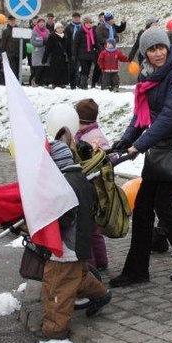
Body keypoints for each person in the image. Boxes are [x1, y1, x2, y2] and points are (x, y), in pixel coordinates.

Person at [109, 27, 172, 287]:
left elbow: (168, 118)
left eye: (161, 47)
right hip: (162, 147)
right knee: (143, 207)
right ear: (144, 53)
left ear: (167, 47)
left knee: (165, 206)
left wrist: (137, 147)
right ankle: (136, 270)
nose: (158, 53)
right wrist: (124, 141)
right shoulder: (147, 75)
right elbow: (141, 115)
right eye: (152, 50)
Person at [36, 136, 112, 341]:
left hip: (66, 247)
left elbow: (63, 219)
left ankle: (55, 329)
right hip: (80, 242)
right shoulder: (81, 179)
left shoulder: (63, 186)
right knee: (77, 277)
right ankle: (101, 294)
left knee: (56, 286)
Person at [73, 98, 111, 271]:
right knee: (93, 228)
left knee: (85, 228)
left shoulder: (90, 138)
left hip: (90, 187)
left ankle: (91, 265)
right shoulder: (92, 133)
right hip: (95, 187)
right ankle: (101, 260)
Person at [94, 12, 127, 88]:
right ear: (108, 20)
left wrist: (114, 41)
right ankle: (105, 85)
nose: (113, 20)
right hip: (104, 50)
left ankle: (114, 85)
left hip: (113, 51)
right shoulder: (100, 28)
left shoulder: (112, 26)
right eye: (112, 19)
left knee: (113, 69)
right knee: (105, 70)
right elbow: (99, 39)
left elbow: (117, 34)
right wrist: (109, 42)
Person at [42, 22, 72, 89]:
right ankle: (55, 83)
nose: (60, 29)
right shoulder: (52, 36)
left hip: (63, 57)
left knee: (63, 70)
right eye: (58, 27)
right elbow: (48, 49)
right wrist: (44, 59)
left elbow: (68, 48)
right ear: (55, 29)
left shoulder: (65, 36)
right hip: (55, 57)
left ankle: (62, 83)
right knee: (55, 71)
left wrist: (70, 57)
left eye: (61, 27)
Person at [75, 16, 98, 89]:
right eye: (87, 23)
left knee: (88, 69)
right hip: (82, 54)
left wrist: (99, 49)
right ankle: (83, 84)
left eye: (90, 23)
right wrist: (74, 55)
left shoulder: (93, 31)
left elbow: (95, 43)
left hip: (90, 54)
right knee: (84, 69)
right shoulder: (80, 31)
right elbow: (75, 44)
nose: (89, 24)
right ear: (84, 23)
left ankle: (83, 83)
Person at [1, 15, 21, 81]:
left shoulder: (19, 30)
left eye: (14, 20)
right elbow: (3, 44)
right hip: (10, 54)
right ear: (8, 21)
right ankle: (12, 83)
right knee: (12, 70)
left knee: (18, 70)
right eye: (11, 20)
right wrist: (3, 54)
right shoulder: (6, 31)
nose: (13, 22)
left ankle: (17, 83)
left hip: (18, 54)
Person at [31, 18, 49, 87]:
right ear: (37, 23)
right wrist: (42, 42)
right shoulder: (35, 31)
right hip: (37, 52)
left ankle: (42, 83)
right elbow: (32, 41)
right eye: (40, 22)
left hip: (45, 52)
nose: (42, 23)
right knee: (39, 67)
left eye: (43, 22)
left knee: (44, 68)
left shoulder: (47, 31)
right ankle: (36, 82)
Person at [66, 12, 82, 89]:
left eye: (78, 17)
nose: (76, 18)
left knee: (80, 68)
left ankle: (79, 83)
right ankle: (73, 84)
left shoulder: (82, 27)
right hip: (71, 50)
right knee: (73, 68)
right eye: (75, 17)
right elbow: (66, 39)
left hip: (80, 50)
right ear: (72, 18)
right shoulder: (69, 27)